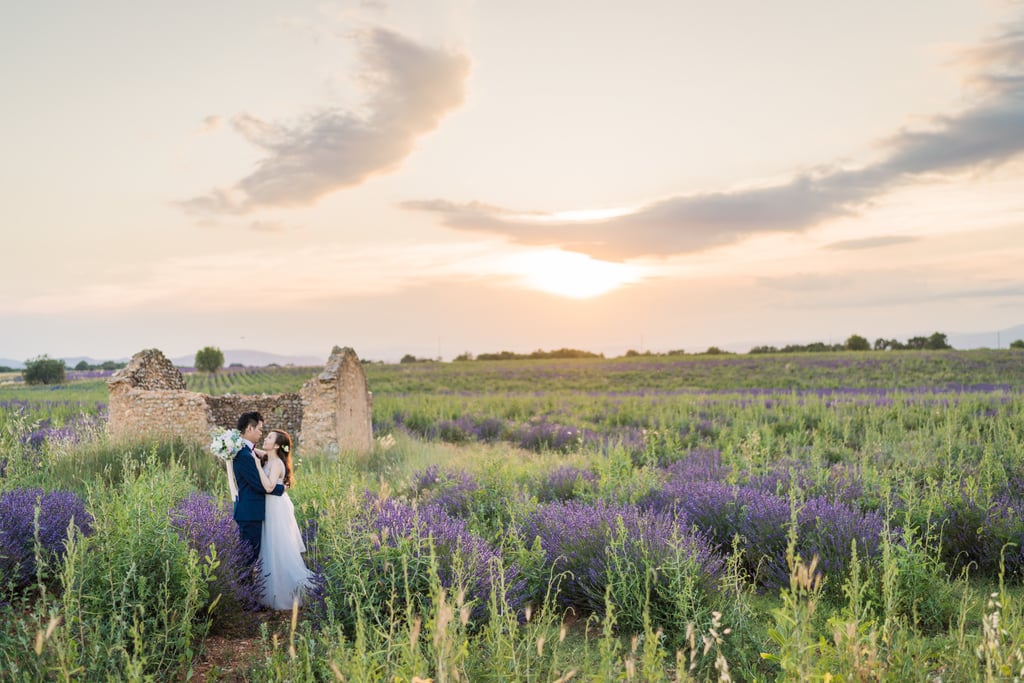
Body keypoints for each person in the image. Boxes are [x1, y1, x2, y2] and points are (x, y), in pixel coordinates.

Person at [252, 428, 314, 610]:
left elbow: (270, 486)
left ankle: (288, 592)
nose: (266, 438)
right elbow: (253, 450)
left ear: (277, 445)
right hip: (271, 506)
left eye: (270, 437)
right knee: (270, 546)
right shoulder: (269, 457)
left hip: (276, 508)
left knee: (278, 546)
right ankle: (273, 591)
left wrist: (257, 466)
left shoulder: (277, 463)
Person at [232, 411, 285, 566]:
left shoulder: (247, 451)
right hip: (250, 513)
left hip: (250, 511)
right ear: (249, 428)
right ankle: (245, 589)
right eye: (260, 430)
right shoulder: (244, 454)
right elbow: (259, 484)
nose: (262, 434)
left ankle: (247, 587)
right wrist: (281, 489)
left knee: (250, 557)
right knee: (249, 558)